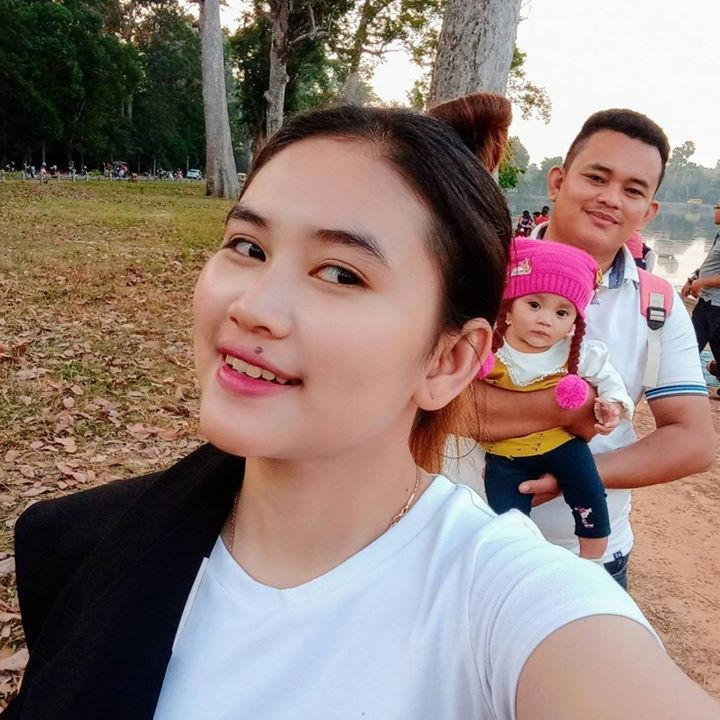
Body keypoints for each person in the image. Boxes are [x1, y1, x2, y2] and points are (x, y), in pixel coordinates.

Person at [5, 98, 719, 720]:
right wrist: (560, 413)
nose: (252, 307)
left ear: (449, 360)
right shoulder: (85, 546)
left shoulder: (501, 598)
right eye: (247, 246)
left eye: (340, 273)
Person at [451, 108, 713, 590]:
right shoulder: (481, 273)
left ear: (649, 211)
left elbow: (693, 441)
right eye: (596, 177)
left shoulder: (656, 304)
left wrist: (574, 474)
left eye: (633, 190)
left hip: (587, 560)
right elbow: (431, 401)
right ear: (557, 181)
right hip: (460, 540)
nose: (610, 198)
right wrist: (565, 410)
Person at [481, 238, 633, 560]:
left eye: (561, 312)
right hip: (504, 454)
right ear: (509, 307)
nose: (545, 319)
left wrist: (613, 405)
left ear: (574, 322)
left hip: (563, 445)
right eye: (534, 305)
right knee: (505, 520)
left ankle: (591, 559)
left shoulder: (578, 353)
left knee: (589, 493)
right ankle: (511, 564)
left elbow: (609, 379)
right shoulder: (487, 349)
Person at [682, 201, 720, 387]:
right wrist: (693, 280)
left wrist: (702, 283)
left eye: (717, 208)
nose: (715, 212)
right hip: (709, 301)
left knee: (690, 344)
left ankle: (678, 379)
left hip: (715, 305)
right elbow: (710, 265)